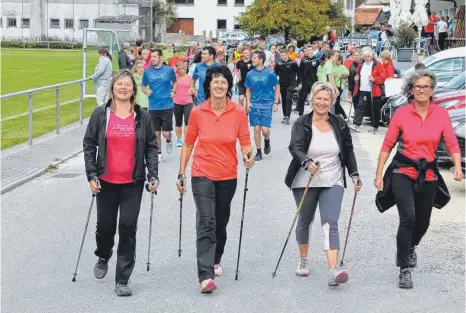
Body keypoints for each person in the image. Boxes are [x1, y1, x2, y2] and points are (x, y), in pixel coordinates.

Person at [374, 69, 463, 289]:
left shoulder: (441, 114)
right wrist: (378, 173)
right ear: (411, 90)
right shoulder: (402, 113)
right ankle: (404, 268)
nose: (421, 90)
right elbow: (388, 144)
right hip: (403, 171)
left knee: (423, 222)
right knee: (409, 217)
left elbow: (451, 142)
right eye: (417, 87)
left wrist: (458, 166)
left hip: (429, 173)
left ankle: (410, 246)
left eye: (426, 87)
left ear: (432, 90)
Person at [176, 65, 254, 293]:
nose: (219, 86)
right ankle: (206, 274)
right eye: (215, 82)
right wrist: (181, 172)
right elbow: (189, 143)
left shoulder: (238, 112)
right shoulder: (198, 112)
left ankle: (216, 257)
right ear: (208, 85)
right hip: (201, 173)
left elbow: (245, 140)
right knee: (206, 221)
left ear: (229, 86)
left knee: (220, 222)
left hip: (228, 175)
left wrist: (249, 155)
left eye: (224, 82)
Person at [83, 69, 159, 297]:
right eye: (120, 84)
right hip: (105, 181)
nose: (123, 87)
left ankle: (122, 279)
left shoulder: (142, 117)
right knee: (105, 227)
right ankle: (104, 254)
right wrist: (91, 174)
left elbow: (151, 148)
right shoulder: (100, 115)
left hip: (132, 182)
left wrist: (152, 174)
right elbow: (89, 145)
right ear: (113, 88)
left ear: (133, 89)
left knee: (127, 227)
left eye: (128, 84)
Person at [285, 82, 361, 286]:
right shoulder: (302, 122)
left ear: (332, 102)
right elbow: (295, 147)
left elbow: (348, 150)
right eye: (318, 98)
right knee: (305, 220)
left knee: (330, 222)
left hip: (332, 178)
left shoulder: (339, 123)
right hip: (305, 179)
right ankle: (303, 258)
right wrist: (306, 162)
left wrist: (354, 174)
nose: (322, 102)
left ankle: (333, 269)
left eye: (326, 99)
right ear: (312, 98)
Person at [141, 49, 177, 162]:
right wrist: (147, 92)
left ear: (161, 58)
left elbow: (175, 82)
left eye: (155, 57)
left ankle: (169, 140)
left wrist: (173, 91)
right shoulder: (147, 72)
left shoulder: (169, 70)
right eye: (151, 57)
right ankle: (159, 154)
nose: (152, 59)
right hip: (153, 106)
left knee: (166, 133)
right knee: (156, 133)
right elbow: (143, 86)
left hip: (167, 105)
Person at [246, 51, 280, 161]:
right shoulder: (250, 74)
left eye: (255, 58)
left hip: (267, 104)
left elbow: (277, 87)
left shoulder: (270, 73)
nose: (253, 59)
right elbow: (248, 90)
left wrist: (275, 102)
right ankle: (259, 151)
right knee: (256, 128)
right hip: (255, 104)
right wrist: (248, 102)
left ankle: (267, 139)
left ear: (261, 60)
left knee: (265, 130)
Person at [350, 48, 387, 132]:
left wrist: (374, 79)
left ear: (372, 56)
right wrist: (357, 78)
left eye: (368, 56)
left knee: (374, 108)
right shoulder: (361, 64)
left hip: (373, 90)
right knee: (360, 106)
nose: (366, 58)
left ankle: (375, 126)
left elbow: (383, 77)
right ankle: (356, 124)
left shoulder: (377, 64)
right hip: (363, 89)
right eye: (365, 56)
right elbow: (358, 74)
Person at [275, 49, 298, 124]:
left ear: (287, 55)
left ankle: (288, 116)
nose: (282, 57)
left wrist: (298, 83)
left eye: (284, 55)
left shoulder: (293, 63)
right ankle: (285, 115)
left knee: (288, 99)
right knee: (284, 100)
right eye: (281, 55)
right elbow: (275, 73)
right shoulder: (278, 63)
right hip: (282, 84)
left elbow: (298, 72)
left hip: (291, 84)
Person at [173, 61, 194, 147]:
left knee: (187, 121)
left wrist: (192, 90)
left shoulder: (190, 78)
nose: (181, 70)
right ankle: (178, 139)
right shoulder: (175, 78)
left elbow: (192, 87)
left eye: (182, 68)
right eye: (179, 69)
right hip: (177, 102)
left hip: (188, 102)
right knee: (178, 122)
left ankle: (186, 139)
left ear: (185, 68)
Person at [296, 45, 319, 116]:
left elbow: (319, 72)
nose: (309, 52)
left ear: (313, 50)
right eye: (307, 50)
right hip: (305, 82)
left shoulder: (317, 60)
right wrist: (299, 83)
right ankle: (300, 115)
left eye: (310, 50)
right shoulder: (303, 61)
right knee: (301, 98)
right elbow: (299, 73)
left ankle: (315, 114)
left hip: (314, 82)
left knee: (315, 99)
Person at [333, 54, 349, 120]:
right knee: (336, 103)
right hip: (333, 85)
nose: (338, 62)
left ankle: (340, 116)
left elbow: (347, 73)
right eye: (337, 60)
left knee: (336, 102)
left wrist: (342, 76)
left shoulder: (342, 67)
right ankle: (340, 116)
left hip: (339, 86)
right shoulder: (332, 66)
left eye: (339, 60)